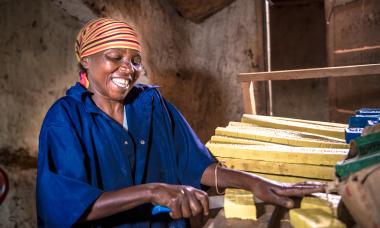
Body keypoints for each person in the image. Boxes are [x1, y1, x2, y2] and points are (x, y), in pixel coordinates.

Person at [36, 18, 324, 227]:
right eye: (115, 57)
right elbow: (68, 206)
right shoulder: (65, 120)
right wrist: (152, 190)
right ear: (86, 60)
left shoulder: (152, 106)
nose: (128, 68)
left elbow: (199, 166)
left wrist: (255, 183)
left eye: (135, 60)